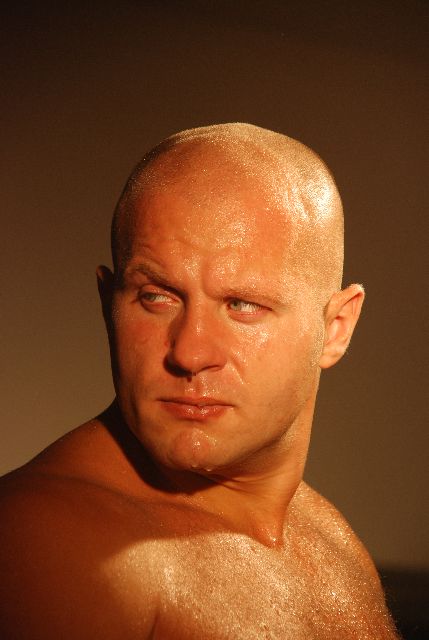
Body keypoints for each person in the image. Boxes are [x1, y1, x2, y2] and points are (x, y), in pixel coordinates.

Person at [0, 123, 399, 639]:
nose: (189, 353)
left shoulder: (333, 543)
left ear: (336, 328)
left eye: (243, 305)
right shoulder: (47, 545)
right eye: (155, 297)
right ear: (107, 305)